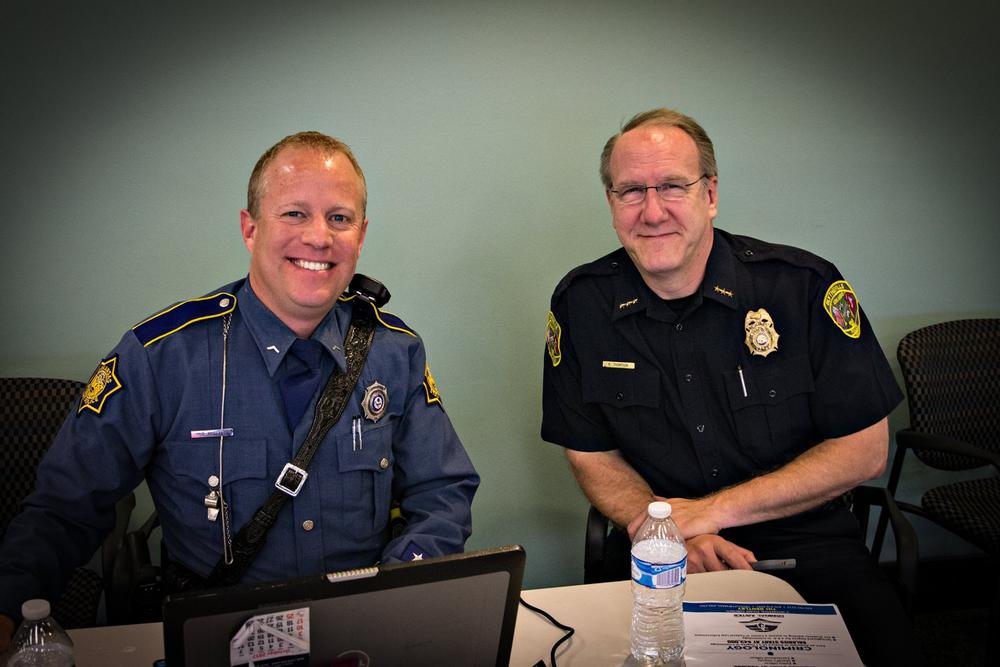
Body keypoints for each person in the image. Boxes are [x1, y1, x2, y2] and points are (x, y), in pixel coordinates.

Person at [0, 131, 479, 648]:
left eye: (339, 218)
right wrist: (7, 608)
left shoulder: (393, 351)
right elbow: (64, 506)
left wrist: (400, 586)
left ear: (360, 236)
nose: (319, 237)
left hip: (361, 634)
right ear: (250, 229)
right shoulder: (162, 356)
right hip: (219, 636)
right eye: (294, 214)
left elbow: (442, 492)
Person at [541, 108, 920, 665]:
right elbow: (592, 455)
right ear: (611, 203)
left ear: (710, 194)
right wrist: (668, 532)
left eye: (672, 185)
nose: (651, 211)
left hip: (808, 547)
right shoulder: (581, 305)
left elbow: (863, 452)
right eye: (630, 192)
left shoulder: (804, 289)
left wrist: (709, 513)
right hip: (661, 555)